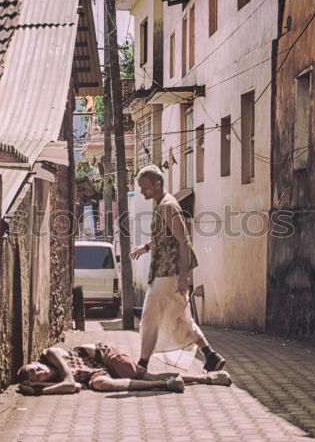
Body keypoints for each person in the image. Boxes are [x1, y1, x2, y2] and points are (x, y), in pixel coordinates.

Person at [129, 165, 226, 375]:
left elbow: (184, 242)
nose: (143, 192)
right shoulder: (161, 206)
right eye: (141, 187)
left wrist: (184, 276)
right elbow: (164, 238)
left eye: (145, 187)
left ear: (157, 184)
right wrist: (146, 247)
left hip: (169, 274)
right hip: (164, 272)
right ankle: (210, 355)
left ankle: (142, 364)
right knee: (179, 318)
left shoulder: (168, 206)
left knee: (149, 317)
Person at [17, 342, 231, 395]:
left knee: (139, 373)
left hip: (104, 356)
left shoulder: (49, 354)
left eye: (35, 369)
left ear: (37, 362)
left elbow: (69, 383)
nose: (40, 372)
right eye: (37, 376)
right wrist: (40, 387)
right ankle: (165, 385)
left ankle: (208, 379)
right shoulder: (54, 382)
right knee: (101, 385)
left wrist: (37, 390)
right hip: (95, 373)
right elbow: (75, 388)